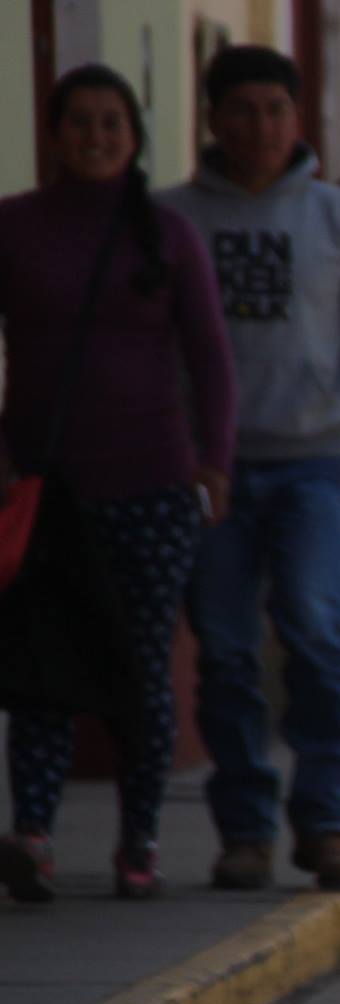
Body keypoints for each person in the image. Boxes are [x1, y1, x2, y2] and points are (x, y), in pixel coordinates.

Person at [162, 46, 340, 892]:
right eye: (241, 109)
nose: (260, 126)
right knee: (228, 650)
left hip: (312, 464)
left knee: (315, 630)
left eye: (276, 108)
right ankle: (244, 829)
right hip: (213, 475)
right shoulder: (175, 221)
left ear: (297, 118)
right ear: (211, 120)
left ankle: (326, 820)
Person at [0, 64, 236, 902]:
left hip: (153, 486)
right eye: (79, 122)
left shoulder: (165, 235)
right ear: (54, 133)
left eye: (111, 123)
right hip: (46, 491)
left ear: (133, 137)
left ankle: (139, 840)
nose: (95, 137)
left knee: (140, 667)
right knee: (40, 665)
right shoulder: (16, 228)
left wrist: (217, 460)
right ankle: (33, 834)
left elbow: (209, 357)